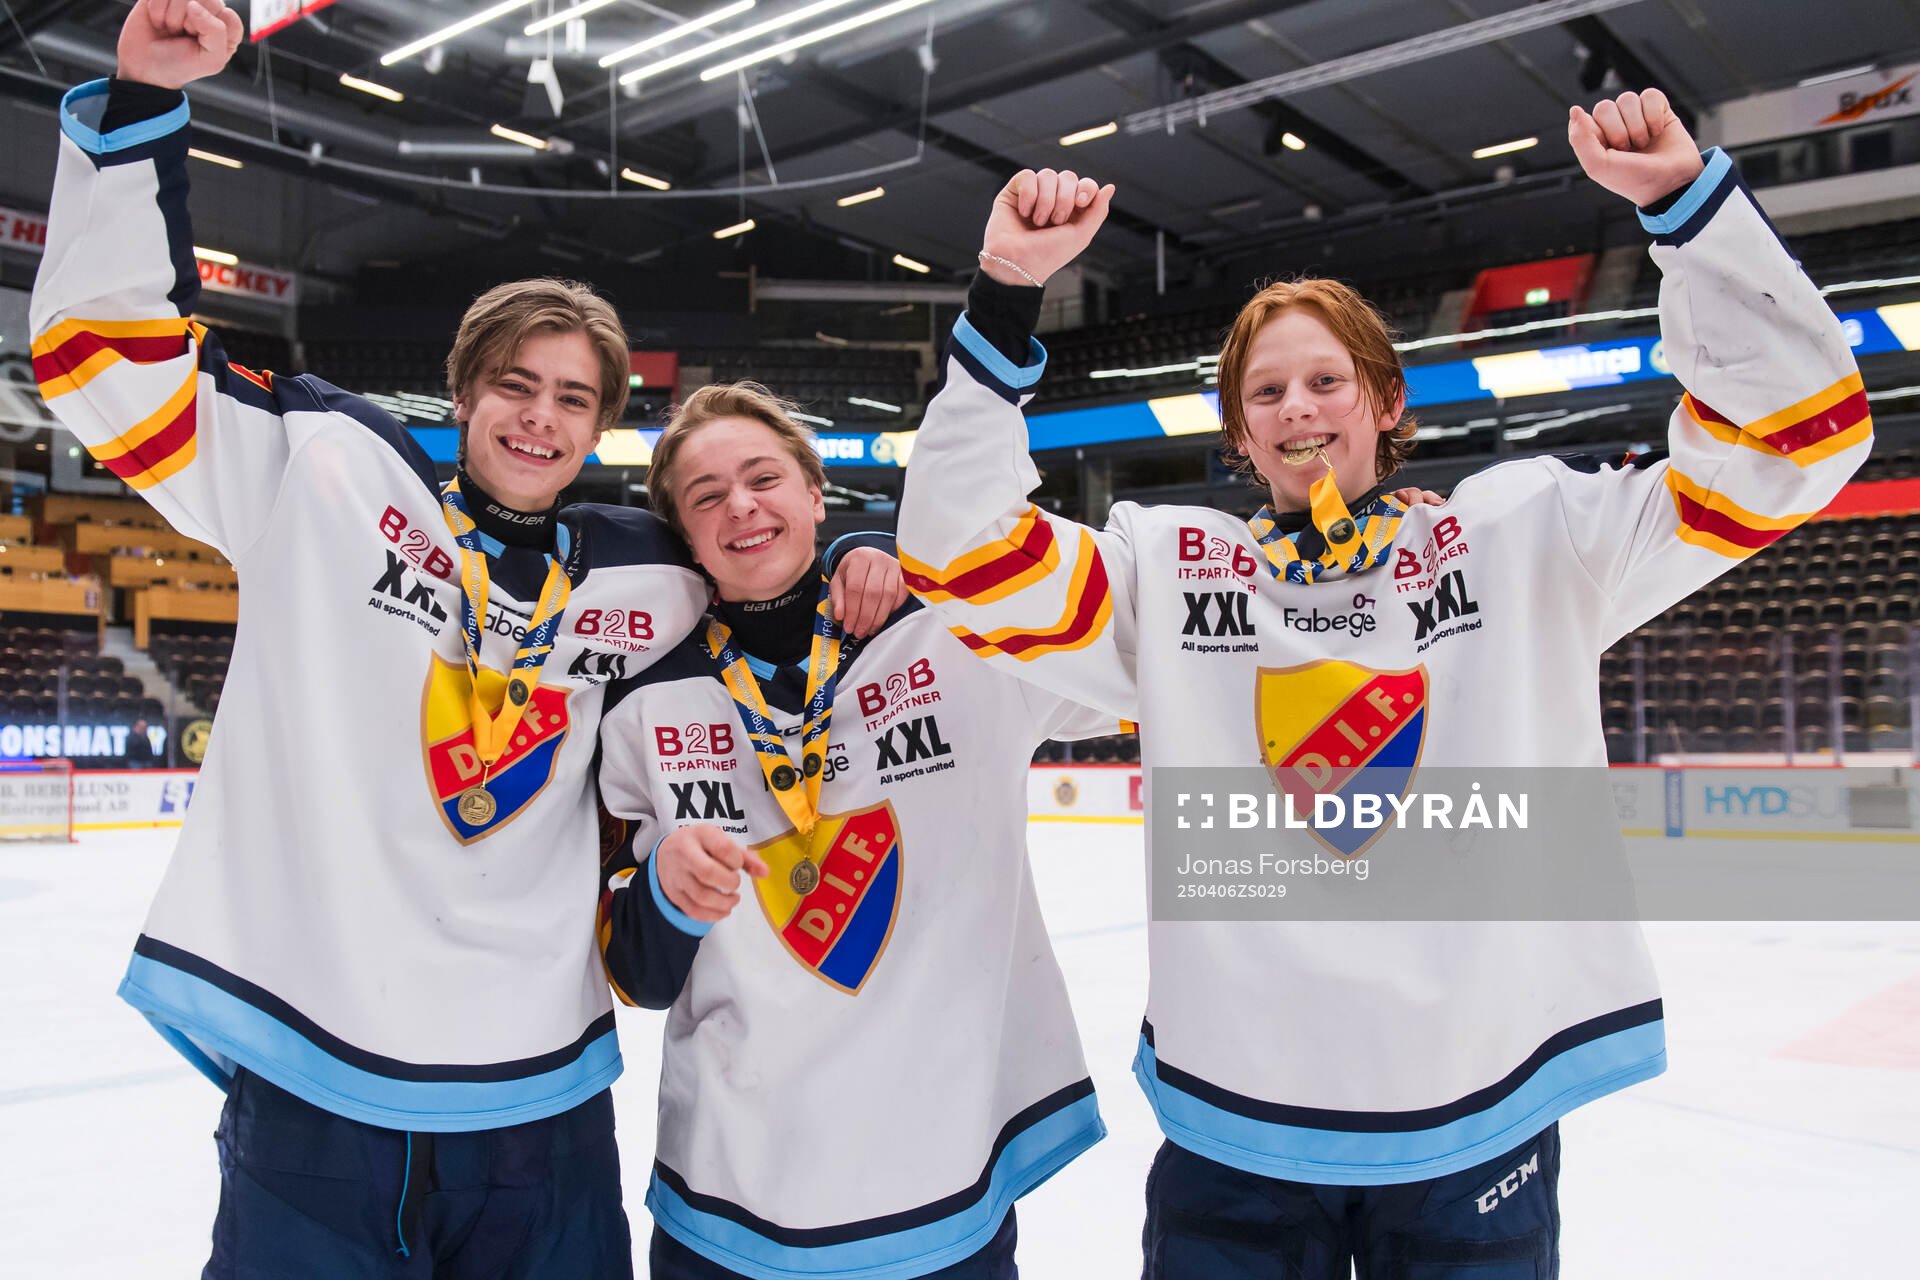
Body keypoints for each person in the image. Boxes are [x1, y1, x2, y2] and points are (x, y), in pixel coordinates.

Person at [896, 90, 1870, 1277]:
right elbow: (954, 550)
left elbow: (1799, 444)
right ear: (1238, 440)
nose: (1297, 408)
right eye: (1265, 394)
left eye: (1325, 382)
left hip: (1477, 1111)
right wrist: (1004, 295)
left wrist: (1684, 207)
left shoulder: (1524, 535)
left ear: (1388, 403)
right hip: (1237, 1118)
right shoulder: (1168, 568)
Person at [28, 2, 899, 1274]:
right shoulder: (323, 470)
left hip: (535, 1095)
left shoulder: (643, 569)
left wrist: (873, 540)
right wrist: (145, 96)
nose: (540, 419)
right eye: (515, 385)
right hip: (317, 1067)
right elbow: (107, 359)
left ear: (598, 426)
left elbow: (765, 538)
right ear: (463, 390)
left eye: (573, 399)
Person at [593, 381, 1113, 1279]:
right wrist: (669, 897)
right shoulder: (638, 701)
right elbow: (637, 974)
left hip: (944, 1176)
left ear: (816, 495)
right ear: (682, 534)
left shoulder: (954, 631)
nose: (742, 506)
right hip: (734, 1193)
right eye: (707, 496)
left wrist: (1364, 539)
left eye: (763, 478)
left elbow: (1161, 631)